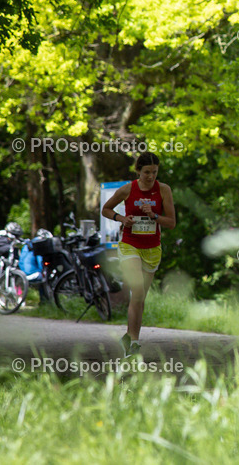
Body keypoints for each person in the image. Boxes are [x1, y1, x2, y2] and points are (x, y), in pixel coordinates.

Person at [101, 152, 176, 357]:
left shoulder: (163, 190)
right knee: (138, 290)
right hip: (129, 245)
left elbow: (171, 222)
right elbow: (105, 210)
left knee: (140, 297)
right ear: (138, 171)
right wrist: (122, 218)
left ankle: (130, 336)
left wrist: (155, 216)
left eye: (154, 172)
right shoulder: (127, 189)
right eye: (146, 172)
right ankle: (134, 342)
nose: (151, 176)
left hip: (152, 248)